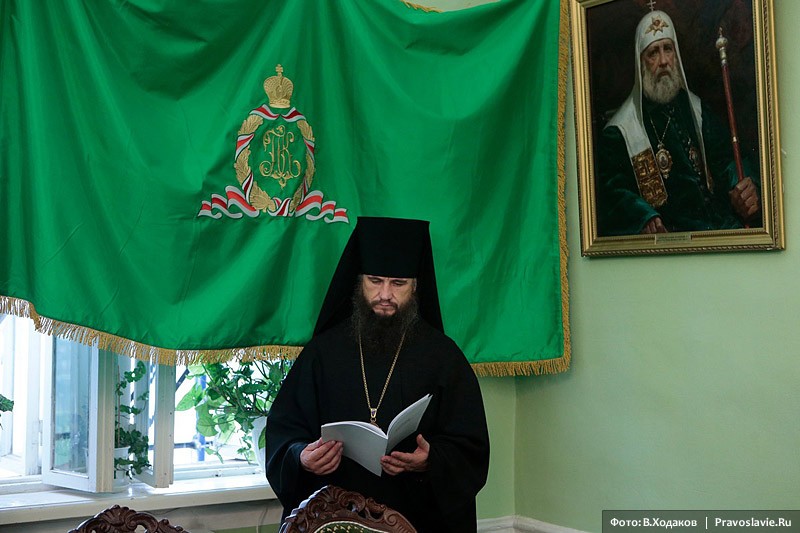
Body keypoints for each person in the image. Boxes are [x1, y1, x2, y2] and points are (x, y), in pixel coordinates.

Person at [265, 217, 490, 532]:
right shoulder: (323, 353)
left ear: (415, 286)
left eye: (398, 284)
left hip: (417, 517)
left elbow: (471, 448)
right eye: (375, 281)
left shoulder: (443, 356)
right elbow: (284, 432)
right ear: (359, 282)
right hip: (334, 517)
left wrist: (431, 460)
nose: (385, 294)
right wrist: (301, 457)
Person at [595, 7, 761, 236]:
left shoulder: (695, 108)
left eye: (668, 49)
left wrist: (742, 186)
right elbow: (612, 189)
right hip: (673, 236)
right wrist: (643, 215)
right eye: (653, 53)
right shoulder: (620, 130)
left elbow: (727, 159)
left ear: (676, 55)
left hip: (717, 225)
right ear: (641, 63)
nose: (663, 61)